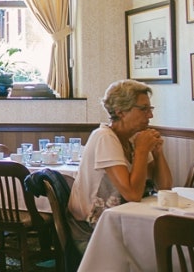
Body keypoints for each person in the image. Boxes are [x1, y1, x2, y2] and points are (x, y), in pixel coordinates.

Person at [67, 79, 173, 252]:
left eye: (150, 109)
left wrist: (157, 152)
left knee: (168, 244)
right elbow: (132, 194)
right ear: (120, 112)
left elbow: (165, 187)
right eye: (144, 109)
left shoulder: (134, 138)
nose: (150, 116)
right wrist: (141, 151)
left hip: (124, 223)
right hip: (93, 232)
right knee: (161, 250)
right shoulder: (104, 137)